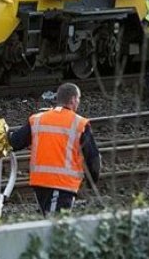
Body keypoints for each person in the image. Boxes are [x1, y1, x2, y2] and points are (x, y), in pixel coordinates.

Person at [8, 83, 100, 215]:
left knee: (49, 221)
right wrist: (92, 181)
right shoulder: (79, 124)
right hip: (62, 184)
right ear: (73, 99)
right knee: (56, 226)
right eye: (78, 99)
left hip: (39, 182)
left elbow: (15, 142)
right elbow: (93, 159)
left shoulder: (37, 119)